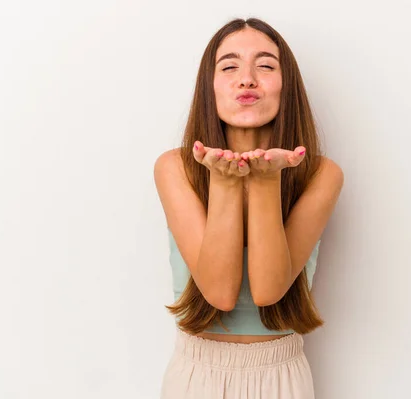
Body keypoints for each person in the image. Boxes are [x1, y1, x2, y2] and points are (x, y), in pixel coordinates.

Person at [154, 17, 344, 399]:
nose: (247, 79)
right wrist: (223, 180)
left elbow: (268, 291)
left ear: (286, 86)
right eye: (229, 66)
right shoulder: (174, 167)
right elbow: (220, 294)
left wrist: (265, 179)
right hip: (196, 376)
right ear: (209, 87)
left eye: (265, 65)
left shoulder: (322, 174)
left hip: (281, 377)